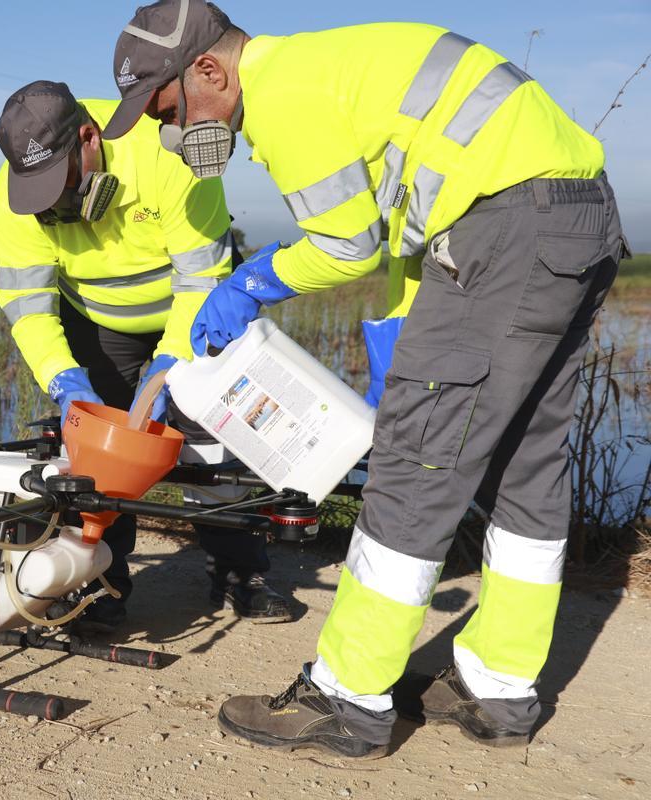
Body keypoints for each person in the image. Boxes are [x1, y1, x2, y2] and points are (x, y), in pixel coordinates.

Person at [105, 0, 627, 758]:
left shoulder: (284, 96)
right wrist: (396, 328)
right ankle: (499, 688)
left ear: (210, 70)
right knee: (526, 463)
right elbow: (414, 213)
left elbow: (343, 245)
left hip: (503, 229)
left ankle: (348, 697)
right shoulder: (334, 66)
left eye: (166, 109)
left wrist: (253, 281)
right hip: (575, 217)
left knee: (415, 466)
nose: (169, 133)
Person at [0, 79, 294, 632]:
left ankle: (238, 572)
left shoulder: (166, 152)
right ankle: (102, 581)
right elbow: (26, 303)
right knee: (98, 454)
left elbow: (201, 278)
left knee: (216, 437)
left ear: (89, 138)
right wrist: (63, 380)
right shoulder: (18, 195)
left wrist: (169, 363)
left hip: (196, 310)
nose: (55, 208)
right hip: (100, 322)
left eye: (63, 188)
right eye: (42, 200)